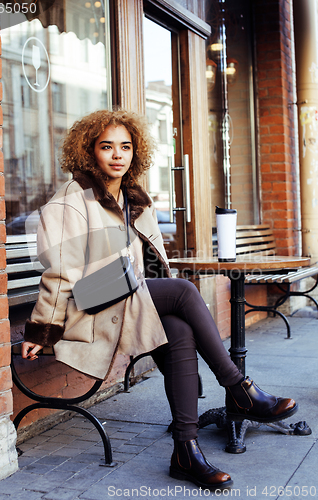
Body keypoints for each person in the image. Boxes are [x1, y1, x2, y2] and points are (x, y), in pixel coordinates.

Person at [22, 109, 297, 491]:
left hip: (125, 295)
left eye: (126, 147)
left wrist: (154, 302)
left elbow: (150, 268)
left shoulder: (135, 200)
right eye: (106, 147)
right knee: (183, 291)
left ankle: (186, 451)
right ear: (89, 152)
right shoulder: (71, 201)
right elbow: (61, 274)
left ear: (136, 152)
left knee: (179, 328)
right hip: (86, 303)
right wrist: (42, 331)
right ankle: (239, 388)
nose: (118, 155)